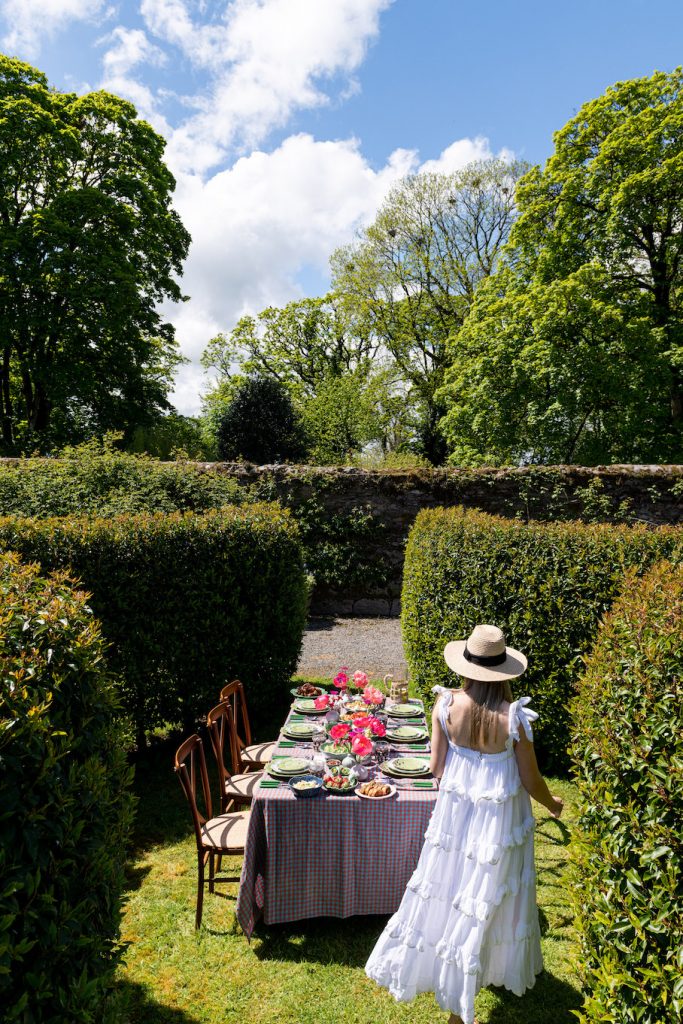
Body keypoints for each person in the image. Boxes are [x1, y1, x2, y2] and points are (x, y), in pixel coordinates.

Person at [365, 624, 563, 1024]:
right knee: (487, 898)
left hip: (457, 816)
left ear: (466, 667)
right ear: (504, 671)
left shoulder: (444, 706)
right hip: (499, 822)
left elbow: (436, 767)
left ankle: (454, 973)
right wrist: (552, 804)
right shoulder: (514, 718)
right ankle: (462, 998)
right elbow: (530, 779)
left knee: (452, 890)